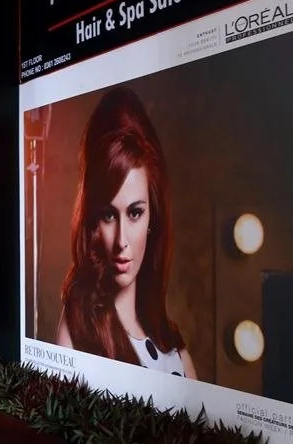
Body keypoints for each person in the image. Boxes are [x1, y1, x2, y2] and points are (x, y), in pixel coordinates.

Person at [56, 86, 196, 378]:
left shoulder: (175, 351)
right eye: (109, 215)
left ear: (152, 218)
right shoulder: (77, 331)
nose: (122, 241)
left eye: (135, 213)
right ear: (93, 223)